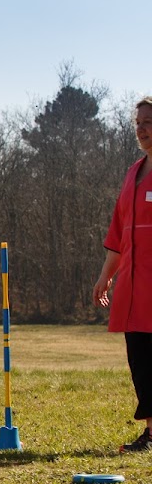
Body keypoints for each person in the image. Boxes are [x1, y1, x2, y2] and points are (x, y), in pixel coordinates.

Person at [93, 97, 152, 453]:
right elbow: (118, 234)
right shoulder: (133, 173)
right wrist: (105, 277)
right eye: (138, 122)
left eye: (149, 121)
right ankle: (150, 432)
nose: (142, 128)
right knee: (140, 359)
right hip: (133, 286)